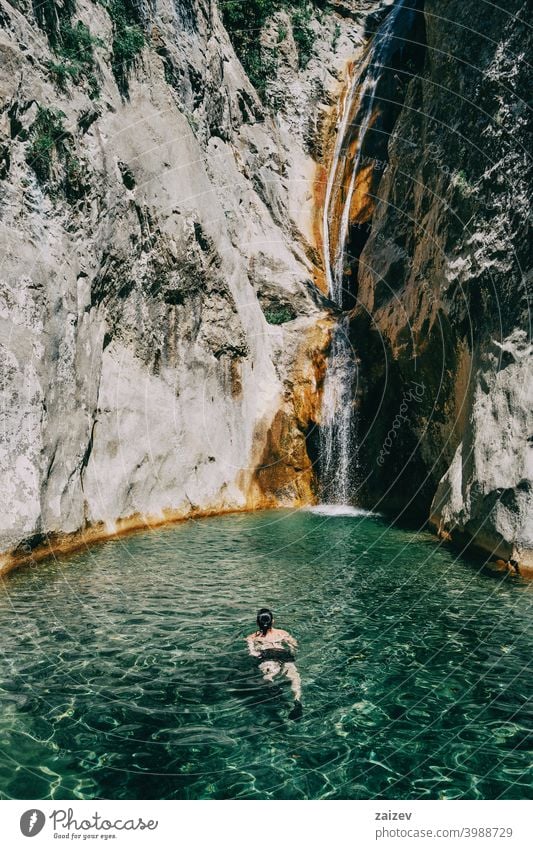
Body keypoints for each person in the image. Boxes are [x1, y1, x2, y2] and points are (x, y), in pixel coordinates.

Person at [246, 608, 302, 719]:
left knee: (269, 676)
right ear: (273, 621)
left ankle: (276, 694)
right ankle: (297, 700)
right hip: (283, 654)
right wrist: (292, 652)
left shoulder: (251, 637)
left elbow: (252, 653)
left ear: (257, 623)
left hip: (267, 655)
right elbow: (294, 646)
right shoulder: (282, 633)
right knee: (294, 677)